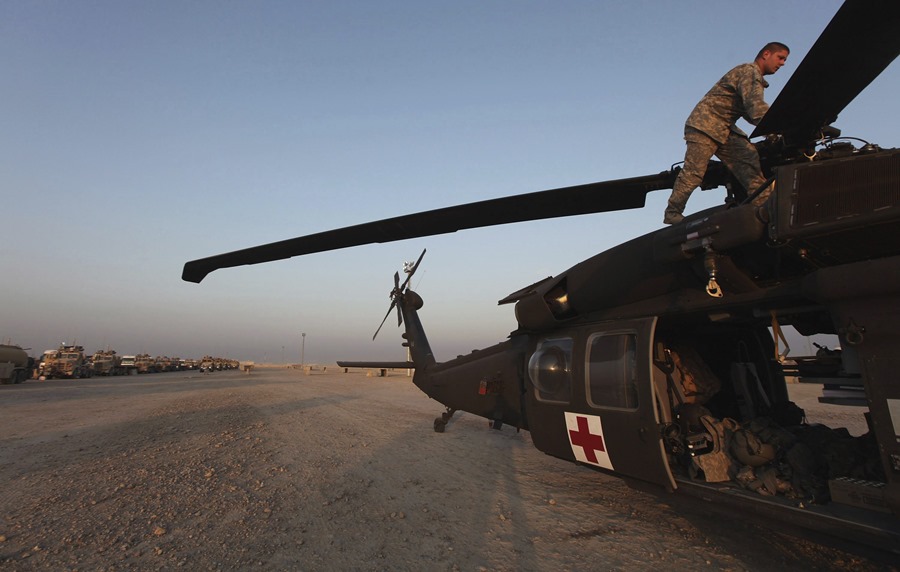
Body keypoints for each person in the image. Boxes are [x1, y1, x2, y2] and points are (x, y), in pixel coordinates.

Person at [664, 42, 790, 225]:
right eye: (780, 58)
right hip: (704, 125)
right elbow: (756, 109)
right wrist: (782, 126)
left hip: (724, 128)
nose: (783, 63)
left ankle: (766, 209)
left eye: (785, 60)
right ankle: (672, 213)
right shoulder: (749, 72)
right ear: (766, 54)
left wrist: (771, 133)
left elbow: (748, 112)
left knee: (749, 161)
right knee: (695, 172)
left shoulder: (753, 77)